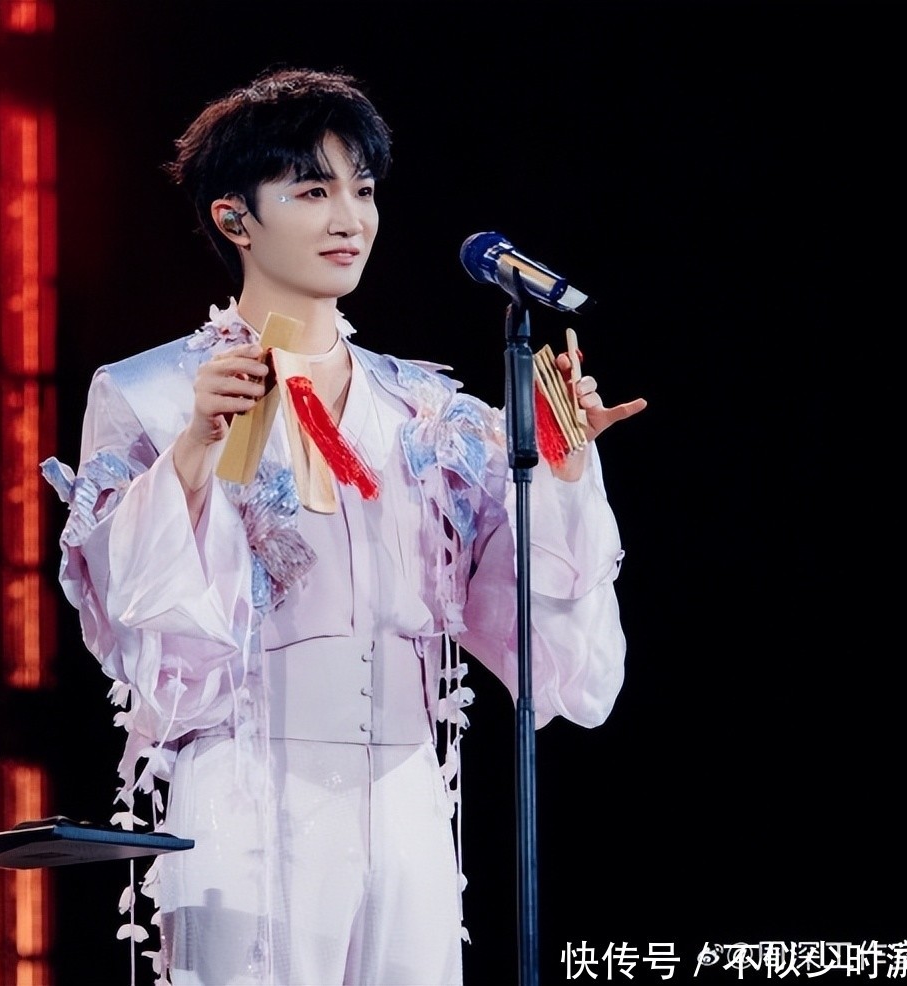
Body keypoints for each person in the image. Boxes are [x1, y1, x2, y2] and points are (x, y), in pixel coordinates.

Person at [41, 66, 647, 986]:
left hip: (407, 792)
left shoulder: (426, 412)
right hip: (249, 784)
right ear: (234, 219)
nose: (348, 219)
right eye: (312, 191)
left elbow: (529, 622)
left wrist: (559, 473)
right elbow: (135, 610)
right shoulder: (156, 391)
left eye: (361, 190)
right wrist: (197, 448)